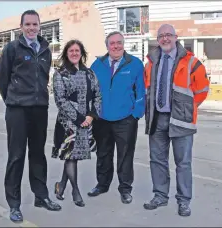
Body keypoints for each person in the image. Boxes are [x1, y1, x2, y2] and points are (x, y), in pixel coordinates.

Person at [0, 10, 61, 222]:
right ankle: (14, 204)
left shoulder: (45, 49)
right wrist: (13, 100)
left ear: (40, 26)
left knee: (38, 155)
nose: (32, 28)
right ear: (21, 26)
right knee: (16, 156)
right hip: (17, 110)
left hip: (39, 109)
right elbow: (1, 78)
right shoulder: (12, 48)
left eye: (35, 24)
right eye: (28, 24)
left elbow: (43, 78)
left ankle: (41, 196)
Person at [143, 24, 210, 216]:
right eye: (161, 36)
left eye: (168, 35)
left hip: (181, 121)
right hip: (157, 120)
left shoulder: (191, 62)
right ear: (158, 40)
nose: (165, 39)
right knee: (157, 160)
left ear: (175, 37)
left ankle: (183, 201)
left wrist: (188, 109)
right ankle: (160, 196)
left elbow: (203, 90)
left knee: (183, 163)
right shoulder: (151, 63)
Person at [88, 31, 145, 204]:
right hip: (102, 119)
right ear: (107, 46)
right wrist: (92, 114)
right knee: (103, 154)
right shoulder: (97, 64)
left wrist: (136, 114)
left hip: (126, 119)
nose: (116, 46)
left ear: (123, 44)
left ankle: (125, 189)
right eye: (112, 43)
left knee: (125, 155)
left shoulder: (135, 64)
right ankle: (102, 185)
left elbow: (141, 92)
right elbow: (91, 92)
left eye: (119, 42)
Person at [51, 39, 101, 207]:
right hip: (68, 124)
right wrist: (79, 119)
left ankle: (61, 186)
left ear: (81, 54)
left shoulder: (90, 74)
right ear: (66, 53)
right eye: (71, 50)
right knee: (71, 156)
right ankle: (75, 190)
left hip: (87, 122)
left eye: (77, 51)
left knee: (73, 157)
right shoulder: (60, 74)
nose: (74, 53)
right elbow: (60, 100)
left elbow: (97, 96)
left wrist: (91, 116)